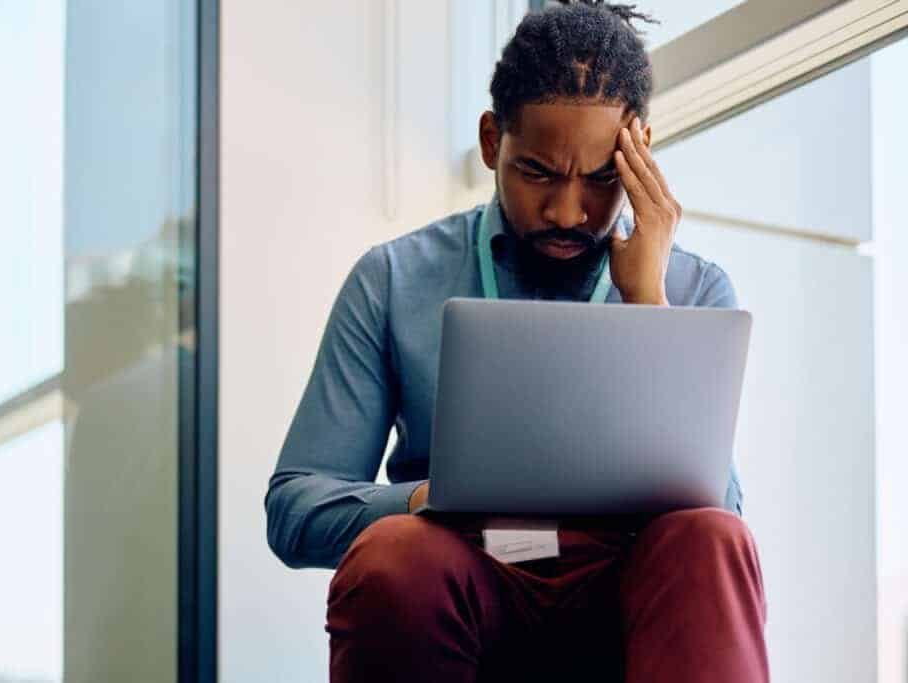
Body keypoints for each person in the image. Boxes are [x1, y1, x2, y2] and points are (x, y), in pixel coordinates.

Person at [264, 1, 768, 681]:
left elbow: (725, 522)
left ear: (639, 151)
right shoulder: (393, 279)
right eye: (537, 172)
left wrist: (649, 302)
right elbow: (296, 506)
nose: (567, 211)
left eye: (600, 179)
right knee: (394, 555)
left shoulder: (693, 289)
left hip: (625, 583)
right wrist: (425, 499)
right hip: (464, 574)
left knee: (710, 538)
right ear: (491, 140)